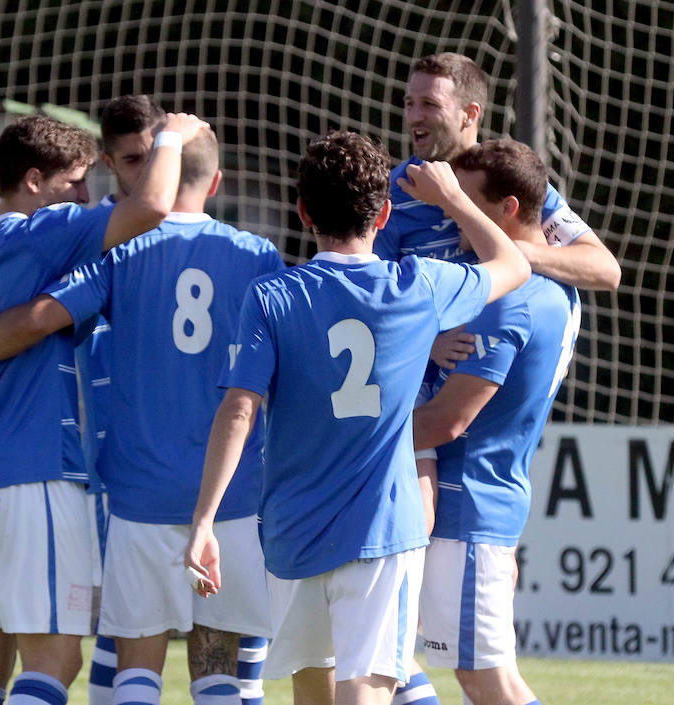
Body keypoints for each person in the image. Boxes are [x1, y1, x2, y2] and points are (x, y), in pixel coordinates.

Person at [0, 124, 284, 705]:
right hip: (232, 493)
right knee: (220, 671)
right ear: (218, 181)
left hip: (138, 494)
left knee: (135, 672)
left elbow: (40, 317)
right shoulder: (257, 255)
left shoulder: (120, 253)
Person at [183, 130, 531, 705]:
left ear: (303, 212)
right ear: (386, 211)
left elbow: (239, 408)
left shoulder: (271, 296)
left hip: (293, 530)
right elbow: (511, 263)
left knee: (311, 691)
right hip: (382, 532)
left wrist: (204, 521)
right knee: (365, 691)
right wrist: (454, 200)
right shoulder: (419, 284)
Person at [0, 111, 208, 705]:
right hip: (33, 475)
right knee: (56, 661)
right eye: (76, 183)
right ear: (34, 180)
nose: (88, 198)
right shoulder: (43, 231)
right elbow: (152, 208)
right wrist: (173, 135)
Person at [411, 139, 581, 705]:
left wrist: (344, 434)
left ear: (507, 209)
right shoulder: (552, 290)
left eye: (464, 200)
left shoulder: (513, 299)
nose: (449, 212)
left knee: (487, 681)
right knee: (403, 657)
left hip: (467, 504)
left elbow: (448, 422)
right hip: (483, 501)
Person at [376, 52, 618, 375]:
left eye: (430, 105)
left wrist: (514, 254)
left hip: (505, 381)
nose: (414, 117)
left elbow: (606, 270)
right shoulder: (393, 194)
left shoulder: (508, 177)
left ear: (470, 114)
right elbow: (371, 296)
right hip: (424, 391)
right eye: (410, 103)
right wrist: (428, 343)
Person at [80, 94, 167, 705]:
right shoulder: (90, 236)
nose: (147, 171)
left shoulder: (203, 235)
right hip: (116, 458)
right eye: (134, 160)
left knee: (237, 637)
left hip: (199, 459)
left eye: (155, 155)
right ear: (110, 162)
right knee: (120, 627)